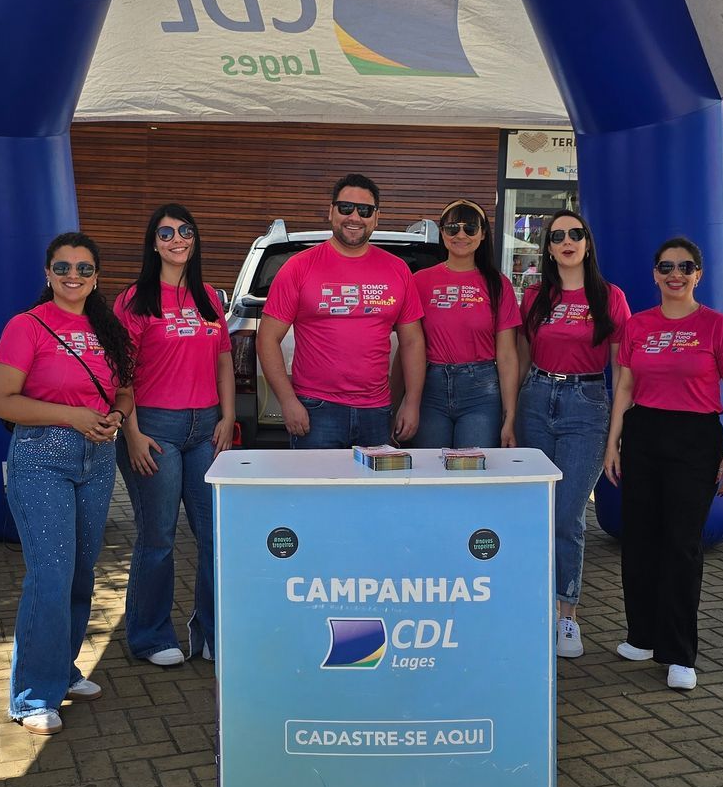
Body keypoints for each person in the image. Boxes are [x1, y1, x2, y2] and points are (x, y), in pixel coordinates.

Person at [0, 231, 134, 735]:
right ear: (47, 274)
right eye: (64, 267)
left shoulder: (107, 327)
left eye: (84, 268)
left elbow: (126, 390)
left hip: (98, 458)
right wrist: (72, 416)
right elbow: (0, 401)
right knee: (50, 575)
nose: (74, 276)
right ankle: (31, 694)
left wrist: (116, 415)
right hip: (41, 457)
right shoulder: (26, 325)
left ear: (96, 277)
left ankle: (62, 670)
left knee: (79, 573)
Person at [604, 235, 723, 691]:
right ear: (655, 275)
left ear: (698, 275)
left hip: (695, 439)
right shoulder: (638, 325)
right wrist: (613, 443)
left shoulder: (717, 326)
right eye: (666, 267)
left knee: (681, 545)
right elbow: (625, 388)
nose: (675, 274)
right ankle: (642, 636)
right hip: (643, 433)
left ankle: (679, 653)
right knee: (640, 539)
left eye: (685, 267)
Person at [114, 204, 235, 666]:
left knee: (213, 535)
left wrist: (227, 417)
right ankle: (150, 636)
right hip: (154, 430)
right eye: (166, 233)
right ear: (153, 243)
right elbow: (121, 374)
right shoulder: (134, 300)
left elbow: (223, 360)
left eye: (185, 230)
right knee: (159, 537)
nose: (177, 239)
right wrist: (131, 434)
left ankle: (210, 632)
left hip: (206, 429)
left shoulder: (208, 297)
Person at [517, 210, 630, 658]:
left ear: (587, 243)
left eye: (575, 234)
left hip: (587, 404)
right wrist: (510, 416)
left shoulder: (609, 297)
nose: (567, 241)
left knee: (567, 516)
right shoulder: (534, 296)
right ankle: (535, 607)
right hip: (536, 398)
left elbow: (622, 370)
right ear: (547, 248)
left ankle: (568, 615)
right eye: (558, 236)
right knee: (535, 512)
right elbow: (522, 357)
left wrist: (615, 433)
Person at [257, 172, 425, 449]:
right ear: (331, 212)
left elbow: (412, 341)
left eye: (365, 210)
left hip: (376, 411)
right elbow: (267, 338)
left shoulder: (398, 270)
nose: (354, 217)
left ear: (376, 217)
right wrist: (287, 401)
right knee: (316, 481)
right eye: (346, 208)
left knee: (373, 481)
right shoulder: (299, 267)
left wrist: (412, 402)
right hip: (315, 409)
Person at [413, 198, 520, 448]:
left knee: (472, 467)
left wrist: (510, 416)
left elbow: (507, 355)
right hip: (430, 387)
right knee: (429, 467)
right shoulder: (419, 281)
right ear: (442, 233)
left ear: (482, 234)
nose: (461, 235)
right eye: (453, 228)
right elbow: (409, 346)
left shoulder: (498, 284)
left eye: (470, 228)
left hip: (481, 391)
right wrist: (401, 402)